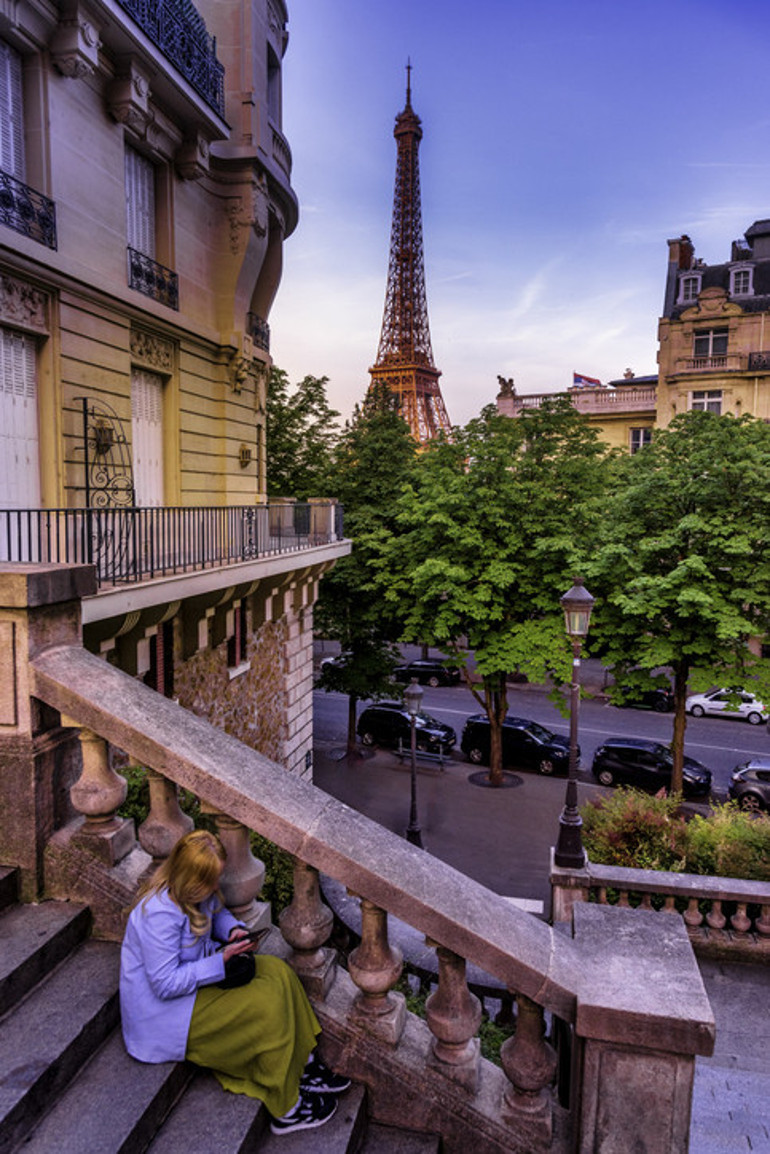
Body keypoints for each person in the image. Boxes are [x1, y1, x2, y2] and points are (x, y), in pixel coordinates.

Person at [120, 829, 350, 1135]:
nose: (217, 885)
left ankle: (303, 1064)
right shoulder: (157, 915)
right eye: (211, 881)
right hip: (166, 1013)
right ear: (192, 880)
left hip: (195, 982)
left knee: (279, 972)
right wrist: (221, 960)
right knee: (264, 1004)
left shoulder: (194, 893)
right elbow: (164, 984)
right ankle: (286, 1108)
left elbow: (217, 914)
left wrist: (234, 932)